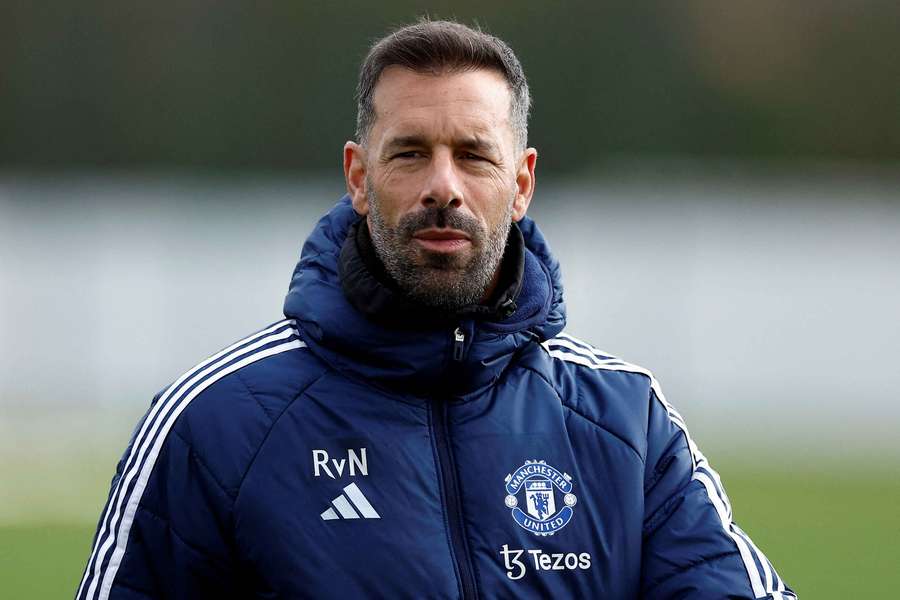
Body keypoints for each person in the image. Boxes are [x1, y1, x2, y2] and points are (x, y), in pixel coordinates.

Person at [76, 19, 796, 600]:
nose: (443, 186)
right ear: (359, 177)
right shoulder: (215, 425)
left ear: (521, 182)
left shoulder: (625, 422)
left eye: (474, 155)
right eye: (411, 154)